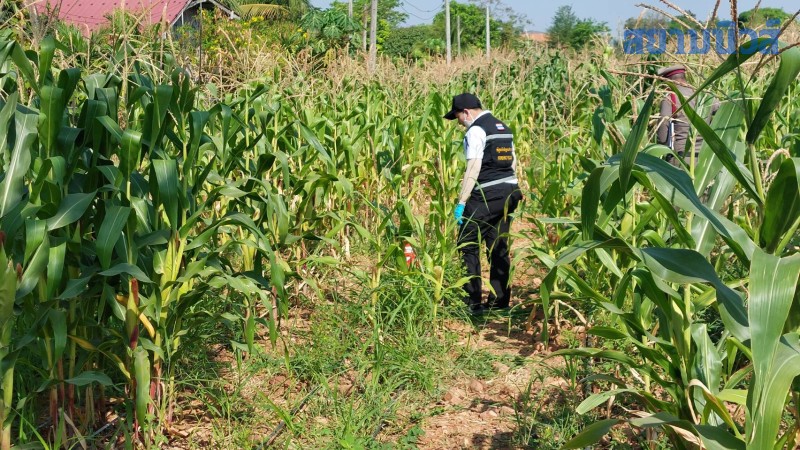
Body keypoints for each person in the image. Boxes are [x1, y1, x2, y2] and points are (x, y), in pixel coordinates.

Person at [444, 93, 523, 314]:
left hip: (488, 193)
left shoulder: (476, 130)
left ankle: (472, 303)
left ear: (466, 112)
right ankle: (499, 302)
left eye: (458, 117)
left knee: (466, 242)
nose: (459, 123)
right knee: (498, 244)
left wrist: (462, 201)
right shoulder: (503, 128)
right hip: (510, 191)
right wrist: (512, 187)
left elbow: (473, 168)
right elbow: (513, 162)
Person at [656, 65, 719, 168]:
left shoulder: (670, 98)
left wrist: (662, 148)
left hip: (681, 158)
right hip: (705, 157)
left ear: (668, 81)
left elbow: (663, 130)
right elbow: (722, 110)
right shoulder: (704, 94)